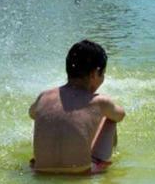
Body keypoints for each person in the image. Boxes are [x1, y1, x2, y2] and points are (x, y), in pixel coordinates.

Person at [29, 40, 125, 174]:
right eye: (102, 74)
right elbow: (121, 115)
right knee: (110, 119)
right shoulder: (101, 102)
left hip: (39, 171)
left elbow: (32, 114)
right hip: (81, 174)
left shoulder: (44, 96)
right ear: (94, 73)